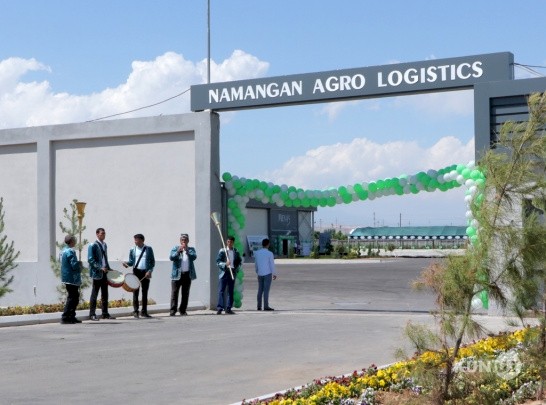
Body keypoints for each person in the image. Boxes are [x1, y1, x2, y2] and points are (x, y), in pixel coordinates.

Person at [123, 233, 155, 318]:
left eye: (136, 240)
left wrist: (150, 271)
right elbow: (131, 261)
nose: (135, 241)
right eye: (134, 240)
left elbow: (152, 262)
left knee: (145, 292)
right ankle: (136, 311)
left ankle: (144, 311)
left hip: (145, 272)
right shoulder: (132, 249)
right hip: (136, 271)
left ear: (142, 240)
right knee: (135, 292)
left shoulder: (148, 249)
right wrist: (127, 264)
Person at [88, 227, 115, 320]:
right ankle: (92, 314)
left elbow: (105, 258)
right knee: (94, 294)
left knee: (105, 293)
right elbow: (90, 260)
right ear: (97, 234)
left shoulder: (104, 244)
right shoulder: (93, 245)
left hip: (105, 272)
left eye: (104, 233)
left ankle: (105, 313)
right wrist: (100, 268)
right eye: (102, 233)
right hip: (97, 273)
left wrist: (108, 268)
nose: (103, 235)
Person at [169, 233, 197, 316]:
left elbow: (194, 257)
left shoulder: (191, 249)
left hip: (187, 274)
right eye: (182, 240)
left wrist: (187, 251)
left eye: (185, 240)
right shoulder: (175, 248)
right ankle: (173, 310)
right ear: (180, 241)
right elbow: (171, 257)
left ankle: (182, 310)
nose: (183, 241)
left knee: (185, 293)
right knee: (174, 293)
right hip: (177, 275)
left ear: (188, 241)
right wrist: (178, 251)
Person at [215, 236, 242, 315]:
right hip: (224, 272)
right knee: (221, 291)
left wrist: (236, 269)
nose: (229, 243)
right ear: (226, 242)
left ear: (233, 243)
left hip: (232, 272)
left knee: (230, 291)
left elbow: (239, 262)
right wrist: (225, 264)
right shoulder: (222, 251)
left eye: (231, 242)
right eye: (228, 242)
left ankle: (228, 308)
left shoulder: (236, 251)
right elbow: (217, 262)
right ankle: (219, 308)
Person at [60, 235, 83, 324]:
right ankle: (66, 317)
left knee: (74, 296)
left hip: (66, 276)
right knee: (72, 297)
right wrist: (79, 265)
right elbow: (74, 265)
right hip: (71, 277)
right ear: (71, 241)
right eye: (74, 240)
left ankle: (71, 316)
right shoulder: (70, 251)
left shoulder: (62, 251)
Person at [254, 238, 277, 311]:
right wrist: (274, 273)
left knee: (260, 290)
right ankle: (266, 306)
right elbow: (272, 264)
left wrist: (257, 271)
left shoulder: (257, 253)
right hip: (267, 273)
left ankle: (259, 306)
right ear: (268, 244)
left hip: (260, 273)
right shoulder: (270, 253)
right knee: (266, 291)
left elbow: (256, 264)